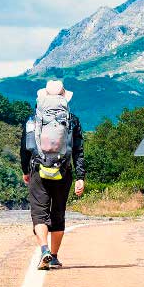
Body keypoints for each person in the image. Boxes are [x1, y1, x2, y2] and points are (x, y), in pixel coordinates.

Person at [20, 80, 85, 270]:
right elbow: (78, 151)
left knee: (39, 214)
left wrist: (26, 171)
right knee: (58, 213)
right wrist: (80, 177)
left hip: (38, 170)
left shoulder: (33, 120)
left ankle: (44, 250)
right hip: (63, 171)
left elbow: (25, 148)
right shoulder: (72, 120)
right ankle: (54, 257)